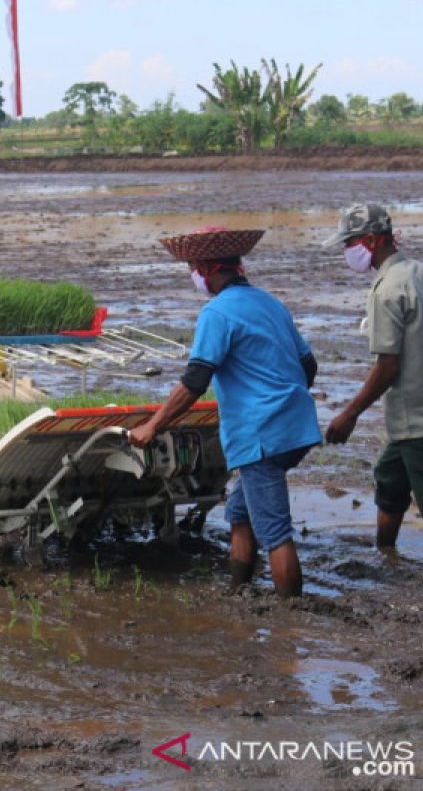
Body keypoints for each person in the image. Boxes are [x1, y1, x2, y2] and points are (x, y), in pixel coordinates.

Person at [129, 227, 321, 597]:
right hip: (296, 426)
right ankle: (239, 589)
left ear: (206, 268)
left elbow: (195, 381)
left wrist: (152, 427)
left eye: (193, 269)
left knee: (275, 532)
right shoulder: (270, 303)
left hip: (261, 434)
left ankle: (292, 617)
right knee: (239, 513)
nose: (194, 277)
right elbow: (308, 365)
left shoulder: (216, 313)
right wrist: (281, 395)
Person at [323, 204, 423, 577]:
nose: (348, 251)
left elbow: (387, 366)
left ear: (372, 241)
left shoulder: (386, 289)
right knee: (390, 477)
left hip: (414, 410)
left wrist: (349, 414)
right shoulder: (422, 272)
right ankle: (385, 552)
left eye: (350, 243)